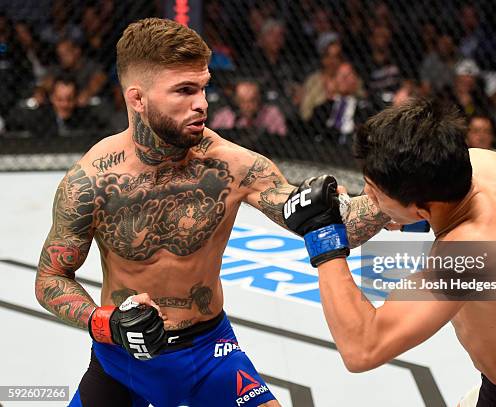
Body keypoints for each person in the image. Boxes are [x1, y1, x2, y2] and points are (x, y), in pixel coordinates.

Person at [33, 18, 389, 407]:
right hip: (123, 358)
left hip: (208, 351)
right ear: (138, 99)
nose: (202, 103)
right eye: (184, 91)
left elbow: (337, 226)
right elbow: (51, 277)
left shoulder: (232, 166)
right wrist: (105, 323)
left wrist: (399, 191)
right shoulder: (91, 182)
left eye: (203, 88)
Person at [283, 99, 496, 406]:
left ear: (418, 206)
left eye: (373, 189)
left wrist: (323, 240)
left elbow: (363, 347)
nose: (367, 196)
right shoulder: (483, 166)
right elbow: (432, 213)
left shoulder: (474, 251)